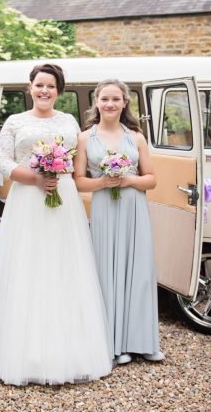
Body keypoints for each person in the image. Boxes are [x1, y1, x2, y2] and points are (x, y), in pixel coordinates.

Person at [0, 63, 112, 385]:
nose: (45, 91)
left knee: (63, 266)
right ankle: (21, 349)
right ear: (30, 88)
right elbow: (2, 160)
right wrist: (36, 177)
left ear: (59, 91)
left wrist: (59, 173)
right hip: (27, 199)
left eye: (51, 87)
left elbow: (74, 159)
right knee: (27, 265)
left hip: (63, 199)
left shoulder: (69, 121)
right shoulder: (15, 121)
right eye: (40, 85)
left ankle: (67, 346)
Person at [73, 79, 164, 365]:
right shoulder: (85, 138)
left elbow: (151, 179)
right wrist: (103, 182)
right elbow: (78, 182)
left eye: (116, 99)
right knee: (107, 273)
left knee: (139, 272)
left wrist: (127, 179)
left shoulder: (136, 137)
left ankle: (143, 341)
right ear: (96, 103)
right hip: (104, 209)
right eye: (104, 99)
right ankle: (114, 345)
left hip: (134, 209)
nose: (110, 104)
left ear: (125, 102)